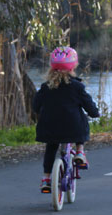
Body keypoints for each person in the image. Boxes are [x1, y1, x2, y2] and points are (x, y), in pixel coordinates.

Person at [32, 46, 100, 193]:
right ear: (73, 66)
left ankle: (46, 179)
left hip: (49, 129)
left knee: (51, 149)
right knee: (82, 120)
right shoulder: (77, 87)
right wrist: (95, 113)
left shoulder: (45, 87)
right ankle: (80, 152)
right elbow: (89, 105)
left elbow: (35, 106)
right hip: (73, 128)